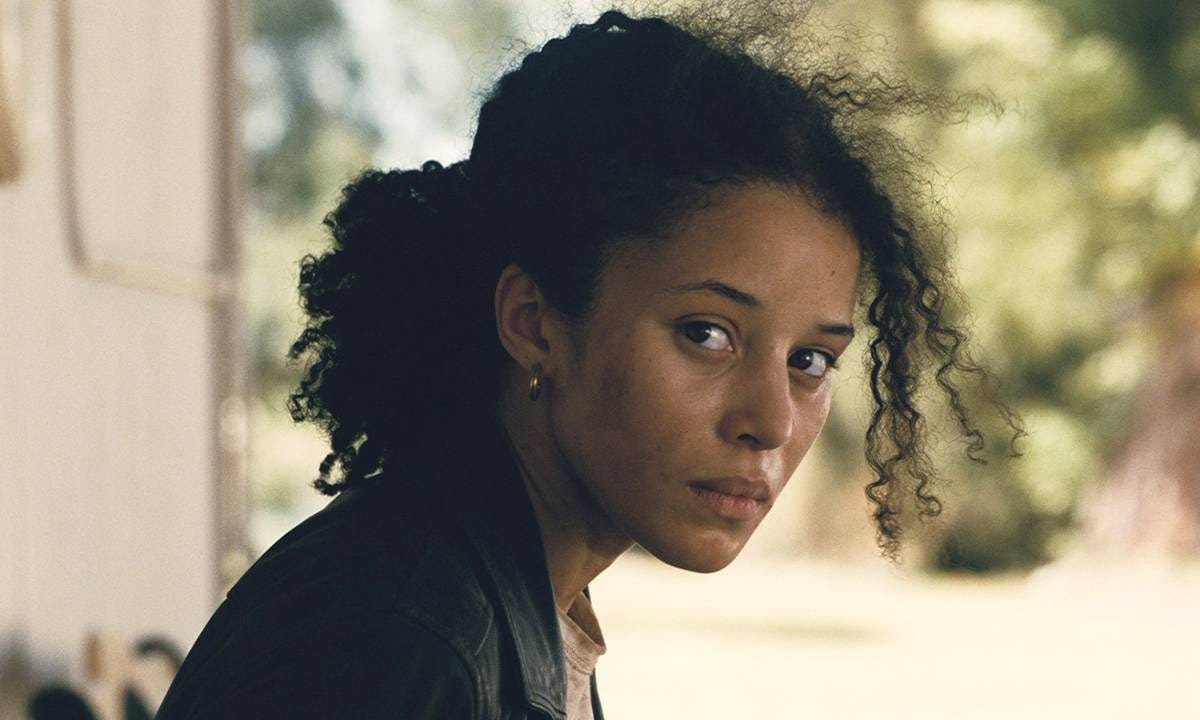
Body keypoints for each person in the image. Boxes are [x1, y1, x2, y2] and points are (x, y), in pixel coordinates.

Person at [156, 5, 1019, 719]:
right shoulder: (396, 639)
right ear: (534, 323)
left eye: (811, 359)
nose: (770, 420)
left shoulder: (527, 604)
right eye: (707, 333)